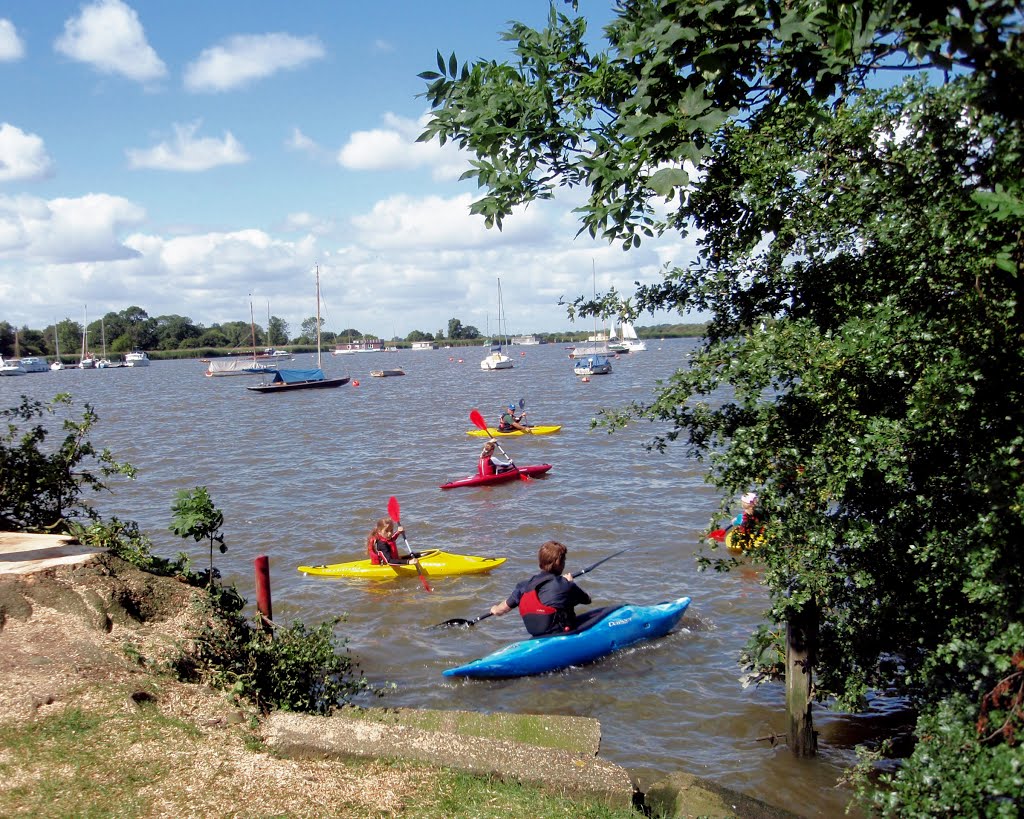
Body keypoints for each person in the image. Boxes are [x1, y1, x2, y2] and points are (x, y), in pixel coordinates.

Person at [489, 540, 591, 636]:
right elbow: (587, 600)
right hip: (560, 633)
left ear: (540, 563)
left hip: (537, 634)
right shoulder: (564, 584)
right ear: (560, 563)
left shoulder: (524, 586)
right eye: (564, 560)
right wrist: (570, 583)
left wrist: (495, 609)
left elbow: (501, 610)